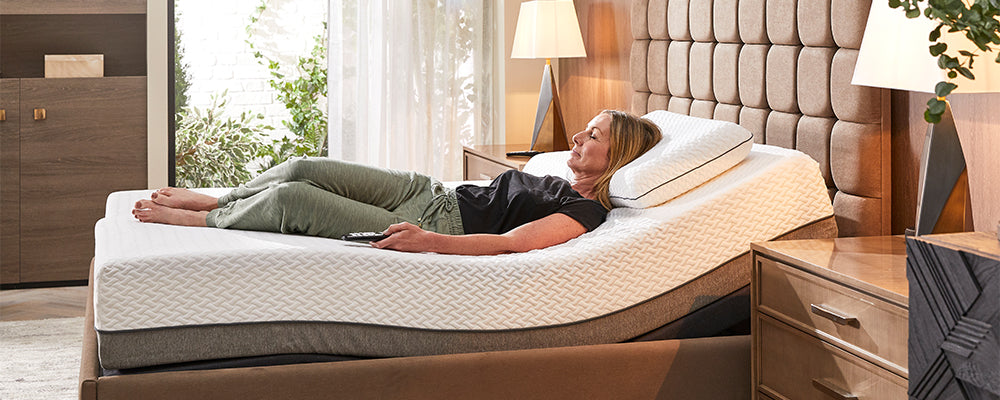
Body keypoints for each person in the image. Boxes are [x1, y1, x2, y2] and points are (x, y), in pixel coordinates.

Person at [133, 110, 661, 255]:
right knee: (300, 167)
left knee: (295, 201)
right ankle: (224, 198)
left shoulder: (586, 214)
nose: (576, 136)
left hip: (433, 220)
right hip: (430, 190)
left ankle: (203, 217)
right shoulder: (556, 175)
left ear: (618, 156)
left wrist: (431, 242)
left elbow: (509, 244)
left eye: (592, 135)